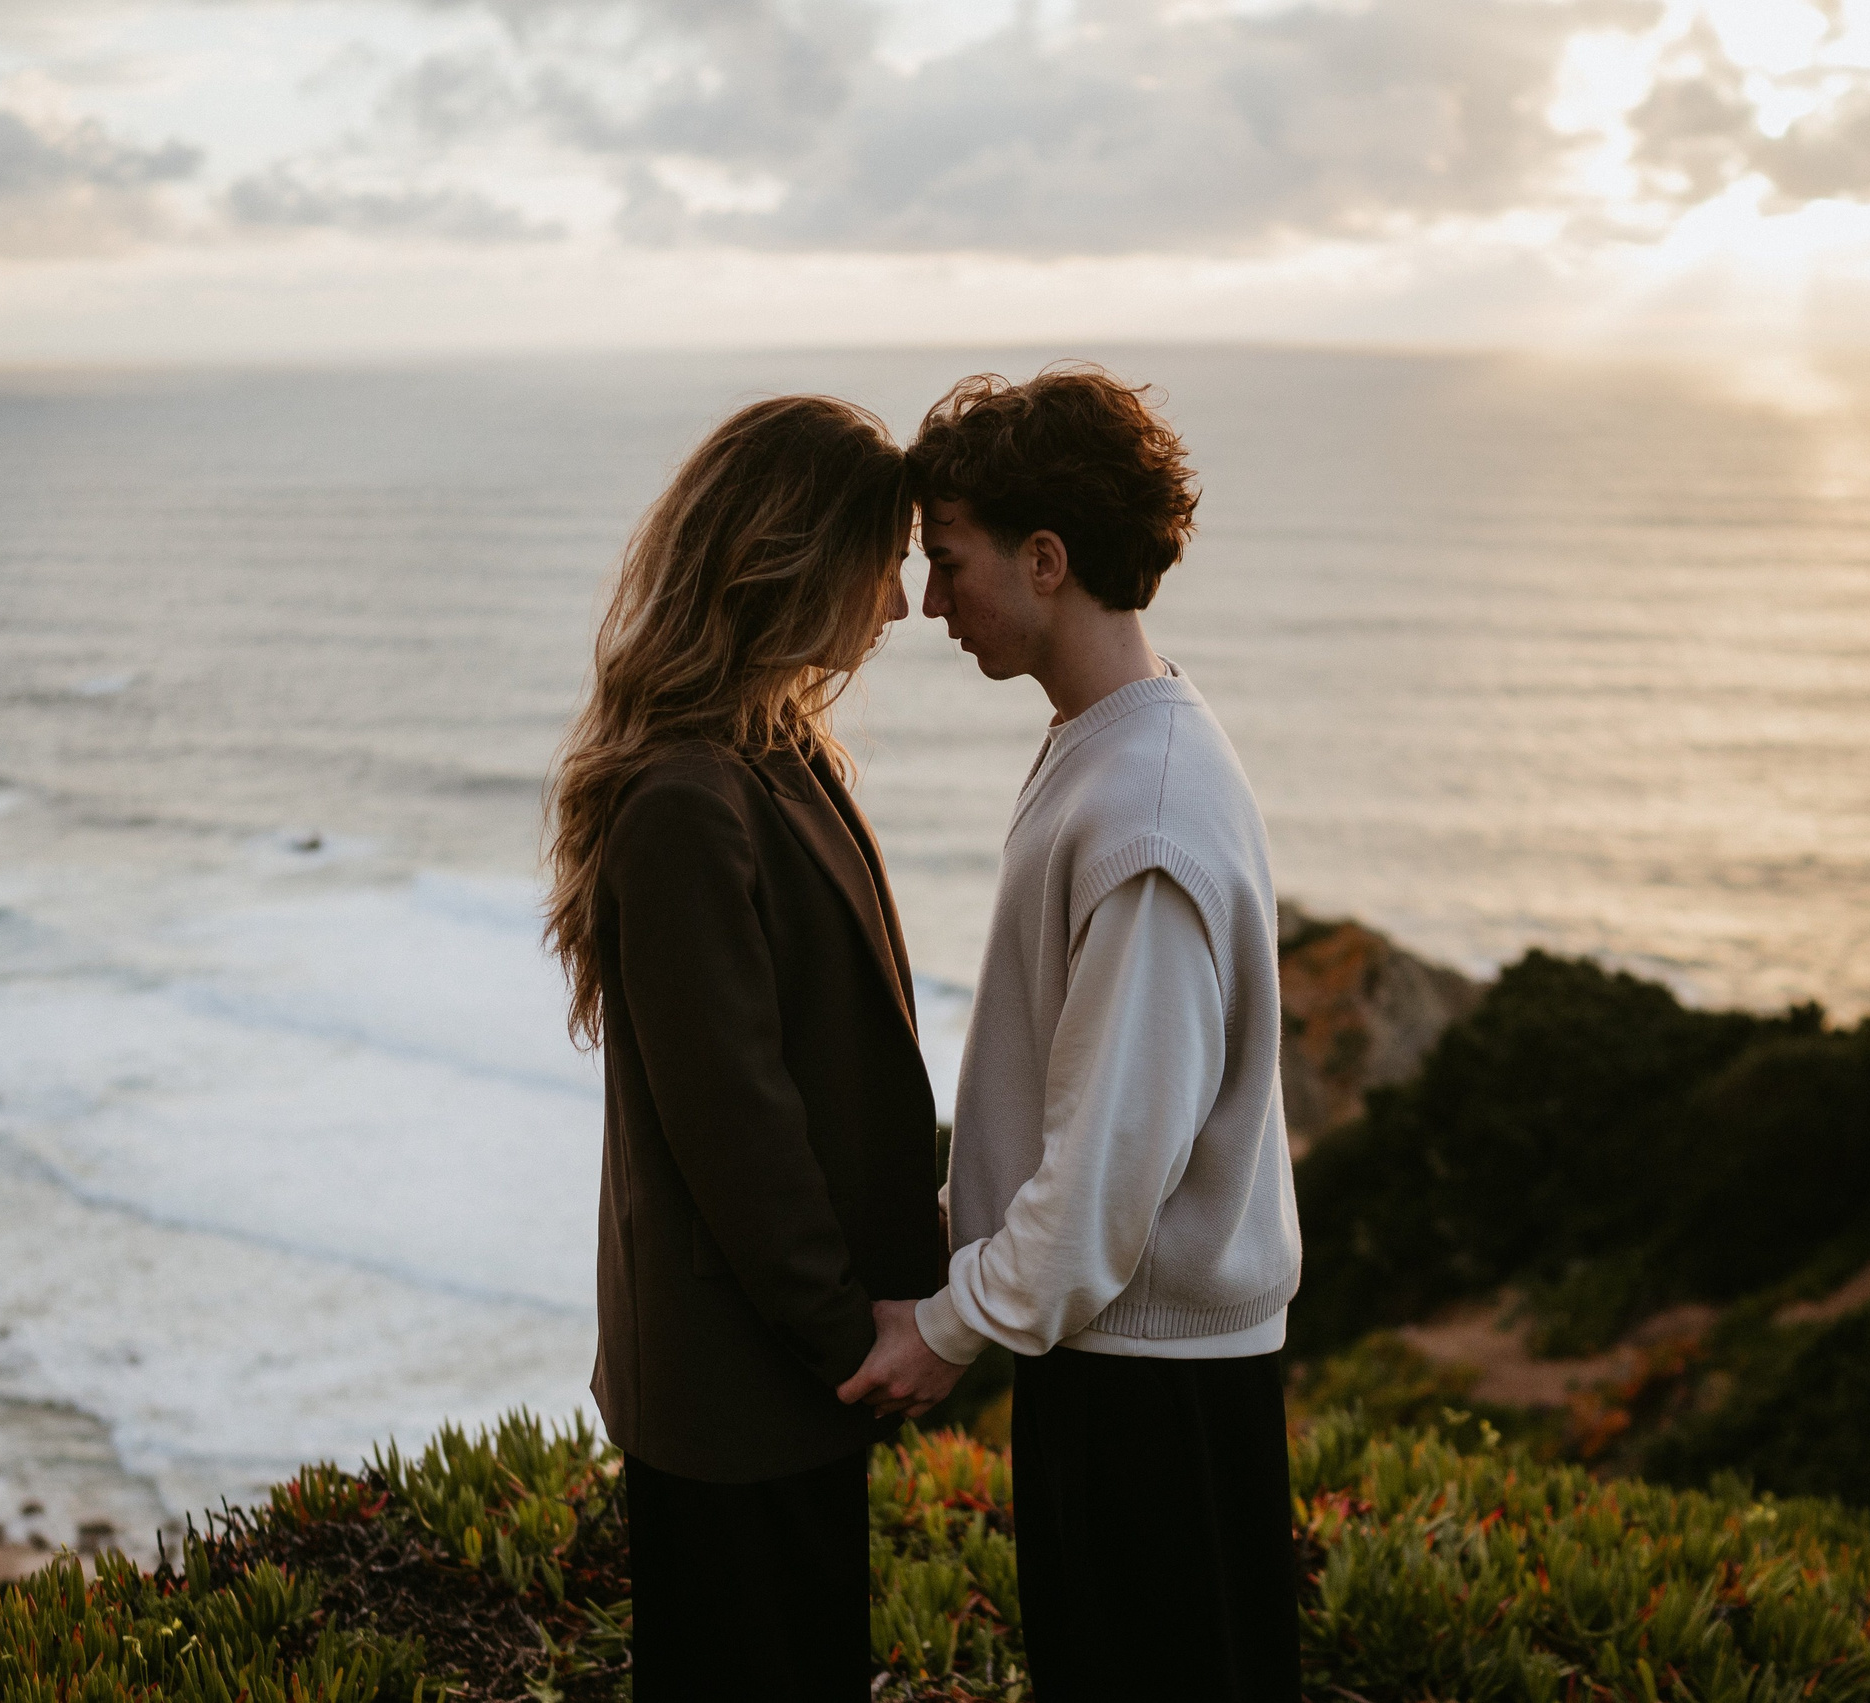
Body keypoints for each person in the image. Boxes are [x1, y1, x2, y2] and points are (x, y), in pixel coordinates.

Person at [836, 366, 1303, 1702]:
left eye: (949, 560)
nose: (929, 604)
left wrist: (948, 1326)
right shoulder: (1110, 741)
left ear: (1046, 560)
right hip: (1120, 1363)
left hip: (1153, 1397)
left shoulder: (1145, 808)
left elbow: (1106, 1172)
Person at [544, 395, 943, 1701]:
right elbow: (738, 1126)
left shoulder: (779, 752)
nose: (900, 605)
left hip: (786, 1376)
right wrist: (852, 1343)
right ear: (797, 561)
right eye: (883, 564)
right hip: (736, 1387)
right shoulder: (685, 799)